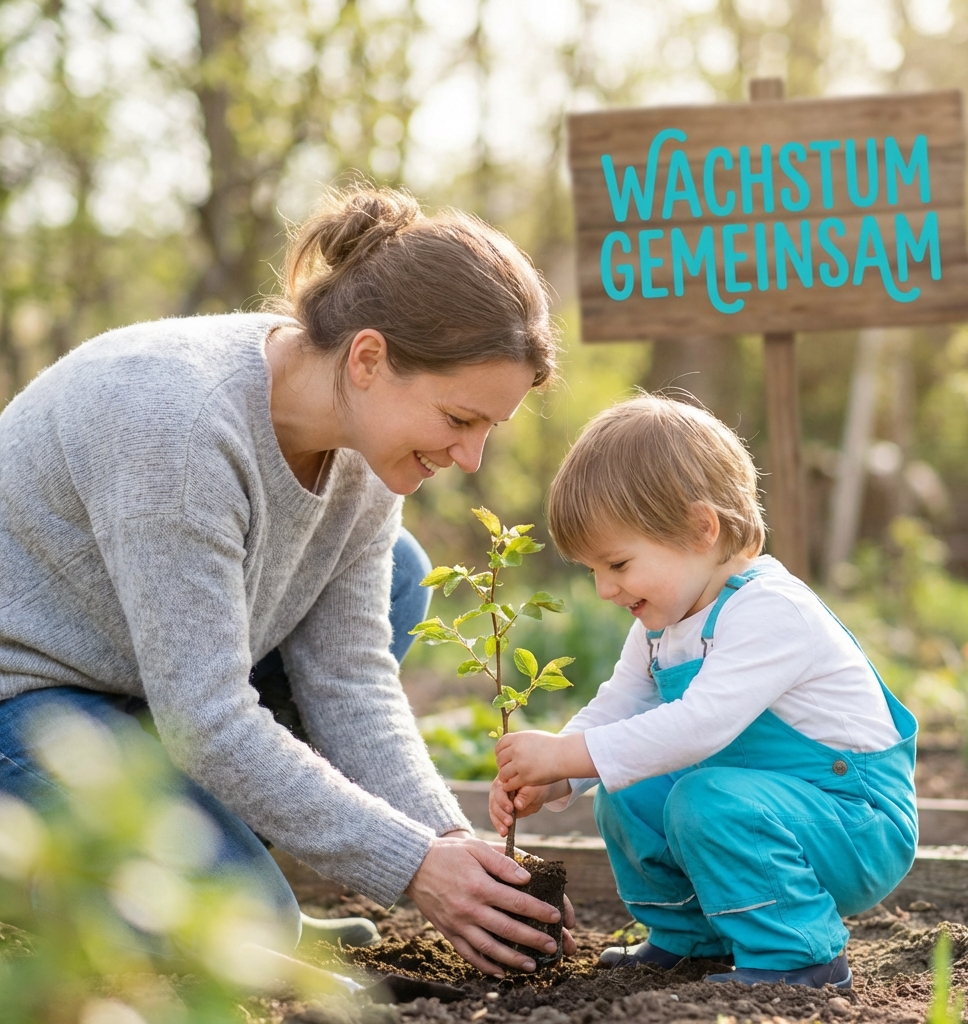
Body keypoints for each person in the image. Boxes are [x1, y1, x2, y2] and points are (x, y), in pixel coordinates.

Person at [0, 184, 574, 978]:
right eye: (457, 419)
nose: (469, 459)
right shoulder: (181, 425)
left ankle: (199, 864)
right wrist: (409, 867)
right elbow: (205, 718)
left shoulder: (367, 456)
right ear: (368, 357)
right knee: (241, 929)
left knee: (400, 576)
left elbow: (350, 682)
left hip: (135, 689)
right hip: (22, 697)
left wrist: (449, 846)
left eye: (488, 429)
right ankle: (45, 874)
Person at [489, 395, 917, 989]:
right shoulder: (661, 625)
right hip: (760, 804)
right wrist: (558, 775)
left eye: (616, 563)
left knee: (706, 798)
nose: (604, 588)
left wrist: (564, 755)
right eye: (591, 569)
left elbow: (699, 725)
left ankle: (800, 956)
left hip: (851, 821)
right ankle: (691, 938)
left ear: (699, 528)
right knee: (627, 791)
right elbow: (618, 707)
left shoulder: (770, 609)